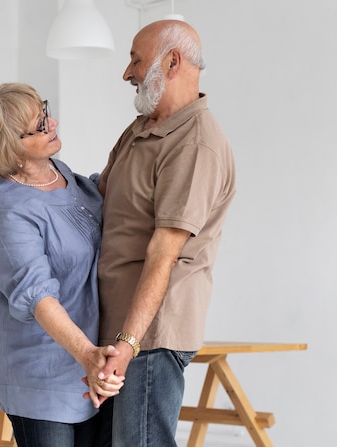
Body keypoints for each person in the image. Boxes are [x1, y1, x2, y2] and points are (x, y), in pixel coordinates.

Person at [95, 20, 237, 446]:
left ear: (171, 61)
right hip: (114, 333)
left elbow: (164, 253)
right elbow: (97, 199)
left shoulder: (195, 145)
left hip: (149, 339)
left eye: (136, 60)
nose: (127, 73)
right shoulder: (142, 129)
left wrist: (128, 343)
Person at [0, 82, 123, 447]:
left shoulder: (60, 174)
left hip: (88, 365)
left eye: (45, 114)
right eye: (40, 125)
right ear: (9, 147)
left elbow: (98, 197)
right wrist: (89, 357)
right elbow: (39, 297)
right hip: (42, 374)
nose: (54, 124)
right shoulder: (10, 210)